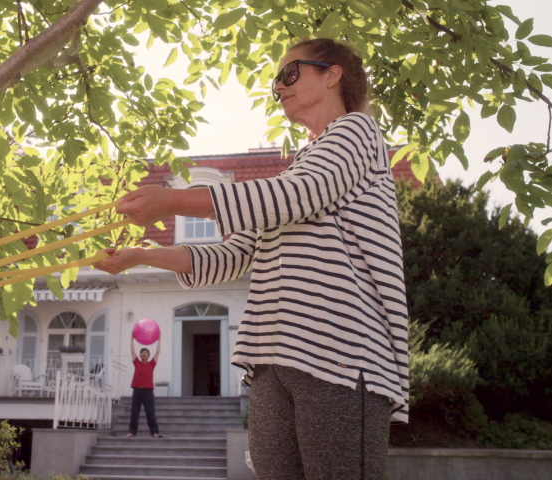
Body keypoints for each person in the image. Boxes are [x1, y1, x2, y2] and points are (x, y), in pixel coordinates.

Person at [95, 38, 408, 479]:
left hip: (339, 351)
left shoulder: (357, 132)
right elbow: (233, 255)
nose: (279, 87)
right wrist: (137, 255)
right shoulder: (301, 166)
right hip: (271, 359)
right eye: (276, 80)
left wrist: (175, 202)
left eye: (290, 73)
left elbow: (295, 196)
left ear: (332, 74)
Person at [127, 332, 162, 438]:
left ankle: (154, 432)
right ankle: (132, 432)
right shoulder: (137, 362)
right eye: (142, 352)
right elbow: (132, 351)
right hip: (137, 390)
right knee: (134, 412)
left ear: (148, 355)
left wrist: (159, 340)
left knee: (150, 412)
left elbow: (157, 352)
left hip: (148, 391)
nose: (143, 354)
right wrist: (131, 339)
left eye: (146, 353)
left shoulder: (151, 363)